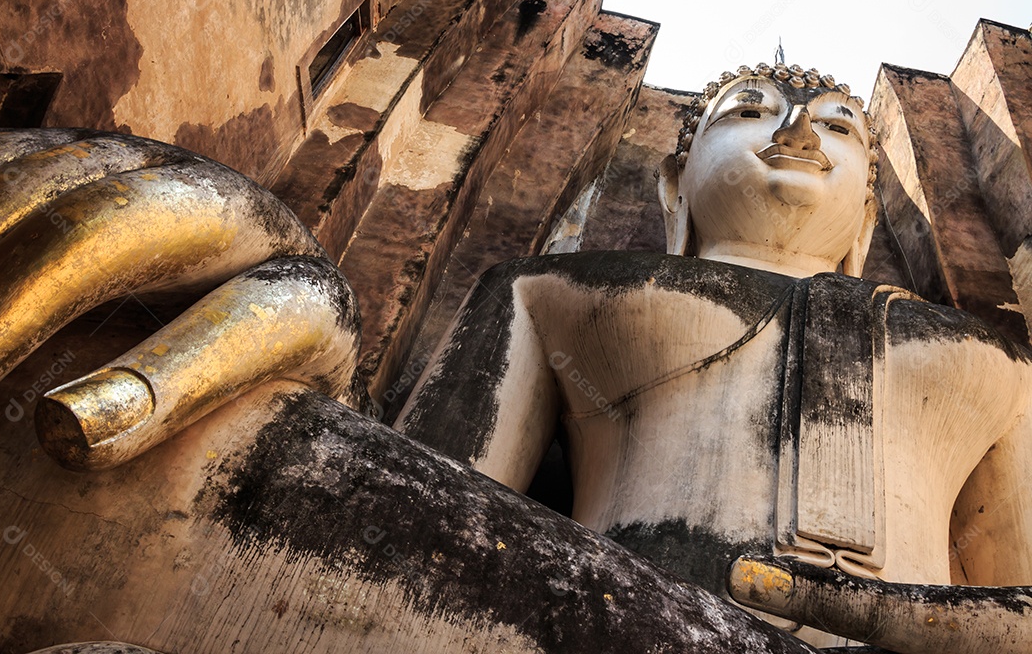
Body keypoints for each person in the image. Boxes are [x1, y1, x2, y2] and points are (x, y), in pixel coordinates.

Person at [395, 63, 1032, 652]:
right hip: (628, 625)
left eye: (838, 126)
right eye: (747, 113)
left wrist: (919, 618)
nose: (800, 131)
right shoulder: (548, 292)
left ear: (866, 218)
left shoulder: (993, 360)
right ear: (676, 187)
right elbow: (423, 528)